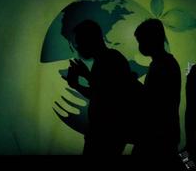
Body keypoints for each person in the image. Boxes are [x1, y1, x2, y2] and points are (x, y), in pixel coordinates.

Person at [65, 20, 135, 156]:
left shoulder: (109, 59)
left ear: (90, 40)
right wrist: (80, 81)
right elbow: (100, 92)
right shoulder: (110, 58)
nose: (78, 46)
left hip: (106, 135)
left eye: (80, 41)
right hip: (105, 134)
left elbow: (107, 95)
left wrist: (81, 80)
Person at [132, 18, 181, 159]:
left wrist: (132, 83)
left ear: (151, 40)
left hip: (157, 136)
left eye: (141, 41)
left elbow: (153, 101)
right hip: (163, 134)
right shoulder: (164, 63)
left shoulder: (162, 65)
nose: (140, 46)